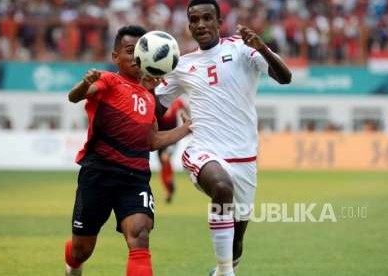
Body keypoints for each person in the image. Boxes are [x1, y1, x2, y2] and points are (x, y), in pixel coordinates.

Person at [154, 1, 292, 275]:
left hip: (245, 159)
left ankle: (221, 270)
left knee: (236, 243)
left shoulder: (242, 48)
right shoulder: (181, 65)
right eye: (195, 20)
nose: (201, 24)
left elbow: (284, 77)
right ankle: (225, 273)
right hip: (203, 151)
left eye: (207, 18)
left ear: (219, 22)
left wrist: (261, 47)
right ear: (189, 25)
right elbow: (154, 111)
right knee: (221, 187)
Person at [64, 25, 191, 276]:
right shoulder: (107, 80)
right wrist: (84, 84)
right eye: (130, 51)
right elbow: (74, 96)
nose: (136, 57)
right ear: (115, 57)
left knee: (140, 236)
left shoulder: (148, 96)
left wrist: (188, 127)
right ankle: (73, 265)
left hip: (135, 179)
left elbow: (152, 140)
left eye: (141, 51)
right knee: (81, 250)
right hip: (98, 175)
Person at [156, 97, 187, 203]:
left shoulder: (177, 102)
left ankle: (170, 183)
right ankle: (169, 189)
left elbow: (186, 111)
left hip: (172, 137)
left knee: (165, 158)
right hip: (159, 138)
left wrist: (187, 121)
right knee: (162, 165)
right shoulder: (158, 101)